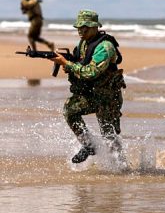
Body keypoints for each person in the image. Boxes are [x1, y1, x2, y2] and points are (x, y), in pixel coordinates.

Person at [49, 10, 125, 164]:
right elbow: (80, 63)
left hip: (108, 97)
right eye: (79, 27)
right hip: (92, 94)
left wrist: (67, 64)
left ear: (95, 27)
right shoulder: (84, 43)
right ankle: (89, 144)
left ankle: (121, 169)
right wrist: (69, 65)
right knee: (70, 110)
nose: (81, 31)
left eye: (85, 27)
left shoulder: (105, 47)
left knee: (108, 134)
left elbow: (90, 72)